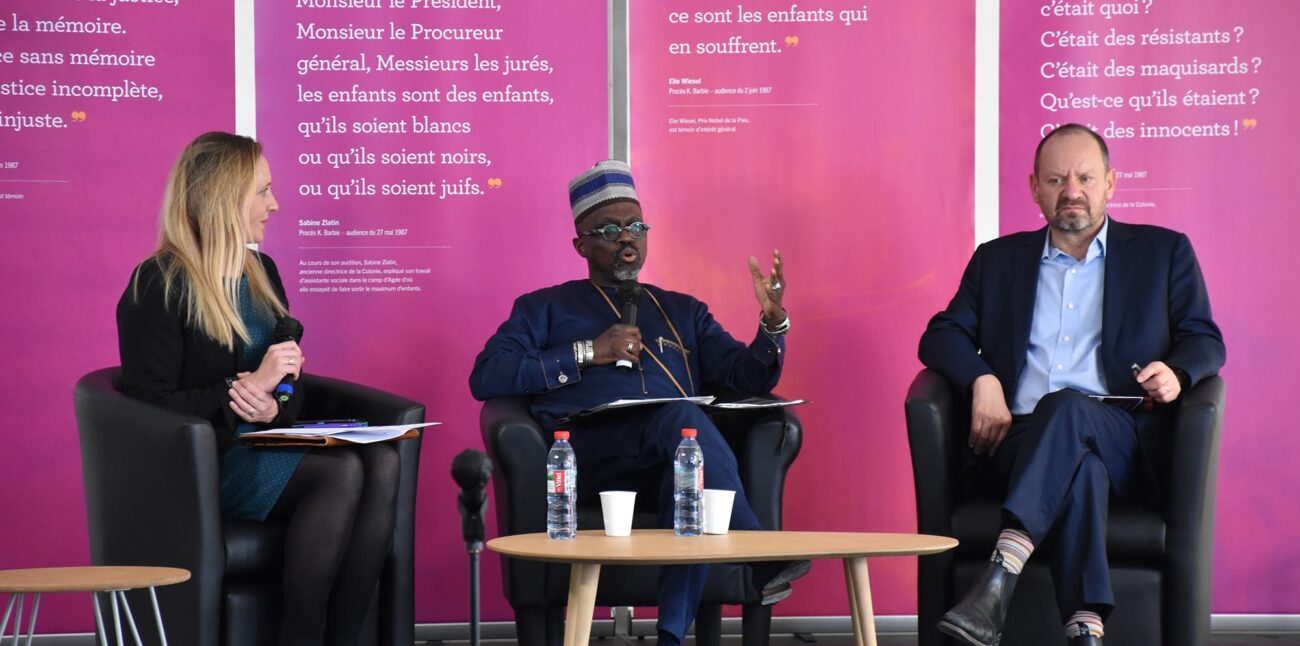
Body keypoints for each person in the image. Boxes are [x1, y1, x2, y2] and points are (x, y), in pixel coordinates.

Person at [469, 160, 809, 646]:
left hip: (668, 456)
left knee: (687, 467)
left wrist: (772, 323)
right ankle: (759, 552)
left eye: (636, 226)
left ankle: (671, 635)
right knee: (685, 422)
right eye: (609, 229)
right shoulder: (544, 307)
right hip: (587, 453)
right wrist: (590, 352)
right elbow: (487, 375)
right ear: (581, 244)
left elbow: (744, 375)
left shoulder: (683, 310)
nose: (627, 238)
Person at [918, 124, 1225, 646]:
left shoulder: (1163, 252)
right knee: (1080, 469)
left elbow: (1205, 339)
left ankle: (1001, 573)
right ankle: (1085, 629)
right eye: (1056, 179)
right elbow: (940, 334)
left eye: (1084, 177)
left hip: (1123, 435)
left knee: (1070, 408)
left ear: (1110, 183)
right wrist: (983, 378)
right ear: (1034, 187)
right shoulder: (997, 261)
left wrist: (1177, 373)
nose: (1071, 191)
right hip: (1021, 442)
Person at [116, 132, 400, 646]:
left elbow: (289, 384)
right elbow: (147, 412)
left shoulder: (262, 273)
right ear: (224, 198)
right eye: (263, 191)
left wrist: (275, 402)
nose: (276, 204)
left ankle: (346, 637)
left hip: (263, 444)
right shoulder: (158, 284)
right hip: (205, 467)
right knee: (337, 474)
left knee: (382, 461)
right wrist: (241, 389)